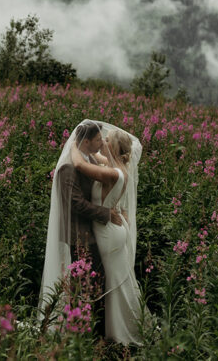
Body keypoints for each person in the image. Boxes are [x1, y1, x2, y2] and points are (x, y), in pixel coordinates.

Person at [39, 120, 122, 337]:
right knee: (86, 283)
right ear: (86, 141)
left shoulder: (88, 158)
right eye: (97, 139)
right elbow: (75, 203)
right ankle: (83, 332)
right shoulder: (68, 167)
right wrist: (106, 214)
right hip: (79, 235)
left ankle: (89, 330)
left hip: (90, 231)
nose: (101, 142)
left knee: (92, 282)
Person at [69, 123, 144, 345]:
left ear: (114, 147)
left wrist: (75, 142)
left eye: (107, 140)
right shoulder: (119, 166)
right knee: (120, 282)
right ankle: (121, 328)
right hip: (115, 230)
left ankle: (120, 334)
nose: (103, 141)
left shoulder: (112, 172)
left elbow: (80, 165)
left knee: (115, 284)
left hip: (107, 232)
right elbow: (97, 159)